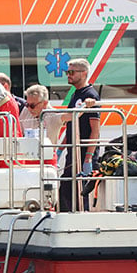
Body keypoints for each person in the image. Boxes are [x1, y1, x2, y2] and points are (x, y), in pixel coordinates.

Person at [59, 58, 100, 212]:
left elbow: (95, 130)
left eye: (71, 72)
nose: (68, 75)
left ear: (83, 73)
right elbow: (71, 124)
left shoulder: (90, 95)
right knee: (67, 189)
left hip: (83, 153)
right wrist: (60, 148)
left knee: (80, 193)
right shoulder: (75, 94)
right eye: (67, 72)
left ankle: (81, 221)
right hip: (73, 152)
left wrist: (88, 158)